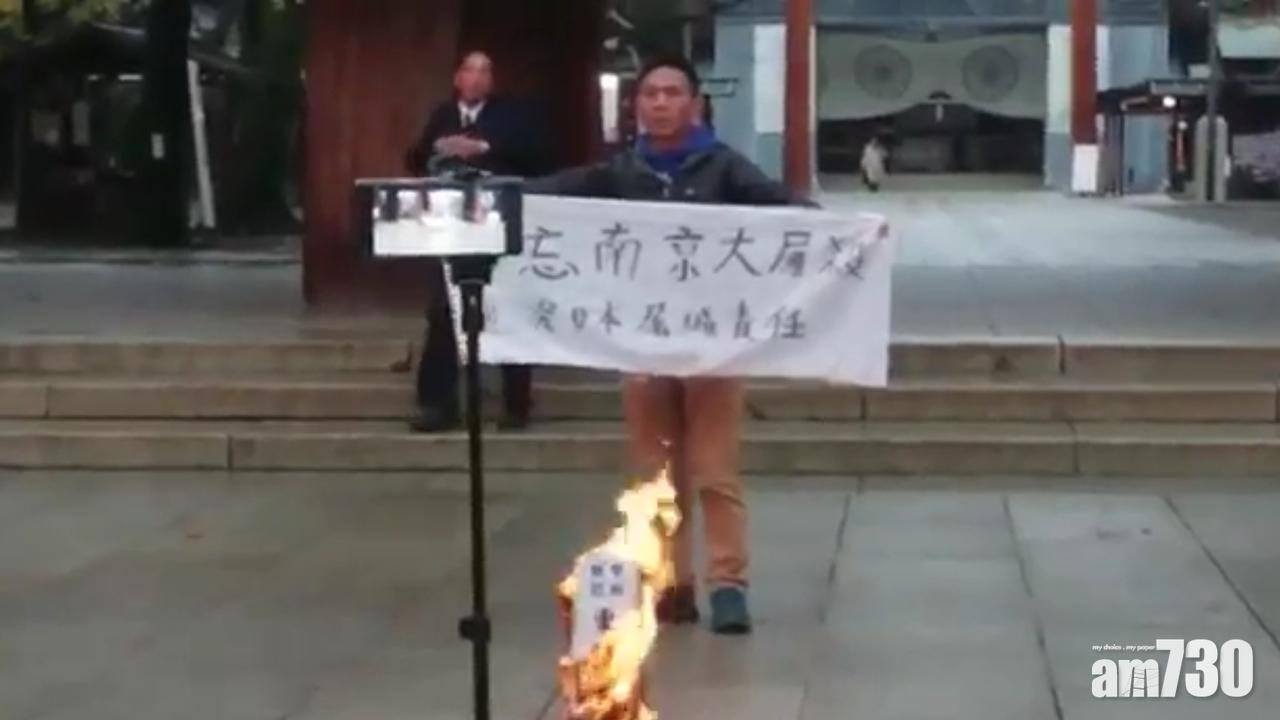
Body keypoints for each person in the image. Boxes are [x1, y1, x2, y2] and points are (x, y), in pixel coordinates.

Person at [528, 55, 808, 635]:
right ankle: (668, 583)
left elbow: (790, 213)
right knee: (656, 473)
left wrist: (846, 233)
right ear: (636, 106)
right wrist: (491, 195)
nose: (660, 103)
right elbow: (550, 195)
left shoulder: (725, 169)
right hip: (643, 345)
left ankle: (728, 584)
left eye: (672, 93)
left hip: (712, 348)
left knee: (715, 471)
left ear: (695, 103)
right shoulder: (620, 172)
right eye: (650, 94)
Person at [406, 51, 551, 432]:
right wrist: (440, 149)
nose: (477, 77)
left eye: (486, 70)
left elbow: (538, 157)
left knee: (508, 305)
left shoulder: (512, 114)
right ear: (457, 78)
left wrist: (484, 149)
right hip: (451, 223)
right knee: (443, 311)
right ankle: (437, 404)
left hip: (499, 222)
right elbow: (416, 157)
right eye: (470, 70)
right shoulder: (443, 115)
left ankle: (516, 403)